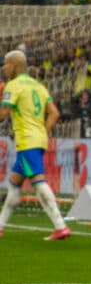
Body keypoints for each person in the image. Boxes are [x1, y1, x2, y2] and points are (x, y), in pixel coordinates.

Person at [0, 50, 71, 240]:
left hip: (26, 140)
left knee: (38, 182)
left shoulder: (13, 85)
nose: (4, 68)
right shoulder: (38, 86)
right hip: (37, 139)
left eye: (5, 64)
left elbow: (3, 115)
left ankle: (60, 225)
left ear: (14, 65)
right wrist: (42, 133)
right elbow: (54, 114)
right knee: (15, 183)